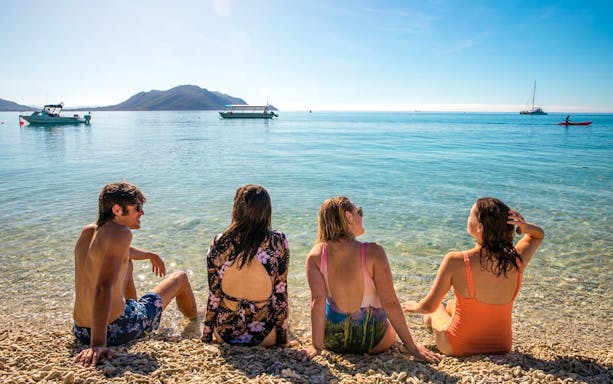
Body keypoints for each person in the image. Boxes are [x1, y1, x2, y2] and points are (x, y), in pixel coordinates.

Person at [73, 182, 198, 367]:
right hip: (116, 331)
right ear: (117, 209)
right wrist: (98, 345)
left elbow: (120, 252)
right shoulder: (121, 233)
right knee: (180, 278)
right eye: (137, 208)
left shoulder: (90, 231)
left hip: (81, 330)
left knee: (128, 263)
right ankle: (195, 319)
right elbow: (103, 287)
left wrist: (149, 255)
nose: (142, 213)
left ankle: (134, 309)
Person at [304, 196, 441, 363]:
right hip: (374, 342)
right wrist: (412, 348)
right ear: (348, 216)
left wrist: (316, 346)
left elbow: (317, 300)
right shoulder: (373, 252)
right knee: (386, 322)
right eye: (358, 211)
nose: (361, 216)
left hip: (333, 342)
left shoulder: (316, 255)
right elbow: (390, 302)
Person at [403, 197, 545, 356]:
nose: (467, 217)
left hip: (457, 346)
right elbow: (538, 235)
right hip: (502, 346)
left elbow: (428, 306)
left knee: (436, 310)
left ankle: (435, 320)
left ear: (480, 227)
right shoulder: (517, 261)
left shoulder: (456, 260)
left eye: (470, 214)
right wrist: (524, 227)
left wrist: (414, 307)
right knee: (452, 303)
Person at [202, 184, 290, 346]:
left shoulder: (219, 242)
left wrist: (207, 337)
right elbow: (280, 296)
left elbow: (214, 296)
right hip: (264, 337)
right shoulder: (277, 241)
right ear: (267, 211)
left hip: (225, 334)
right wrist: (283, 340)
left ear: (237, 209)